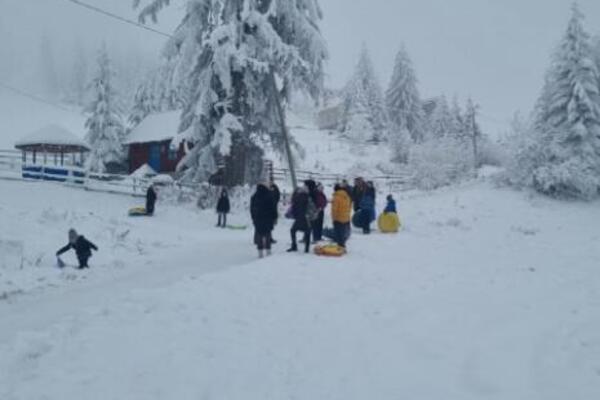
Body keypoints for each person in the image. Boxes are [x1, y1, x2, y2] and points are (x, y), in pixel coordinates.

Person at [250, 183, 278, 258]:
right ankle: (268, 250)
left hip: (258, 219)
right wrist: (275, 217)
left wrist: (253, 217)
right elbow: (273, 208)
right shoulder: (269, 196)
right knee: (267, 234)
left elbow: (252, 209)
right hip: (268, 219)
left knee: (259, 234)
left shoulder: (254, 197)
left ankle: (260, 252)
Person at [287, 184, 312, 253]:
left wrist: (294, 215)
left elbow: (294, 206)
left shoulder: (298, 197)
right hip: (305, 218)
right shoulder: (308, 198)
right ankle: (306, 249)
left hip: (299, 217)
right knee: (307, 232)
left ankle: (294, 246)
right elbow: (310, 208)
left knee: (293, 230)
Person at [331, 184, 352, 248]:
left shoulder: (336, 197)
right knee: (343, 232)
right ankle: (342, 245)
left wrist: (334, 217)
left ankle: (340, 246)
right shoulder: (347, 196)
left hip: (338, 218)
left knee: (338, 233)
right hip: (346, 217)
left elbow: (334, 209)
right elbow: (350, 206)